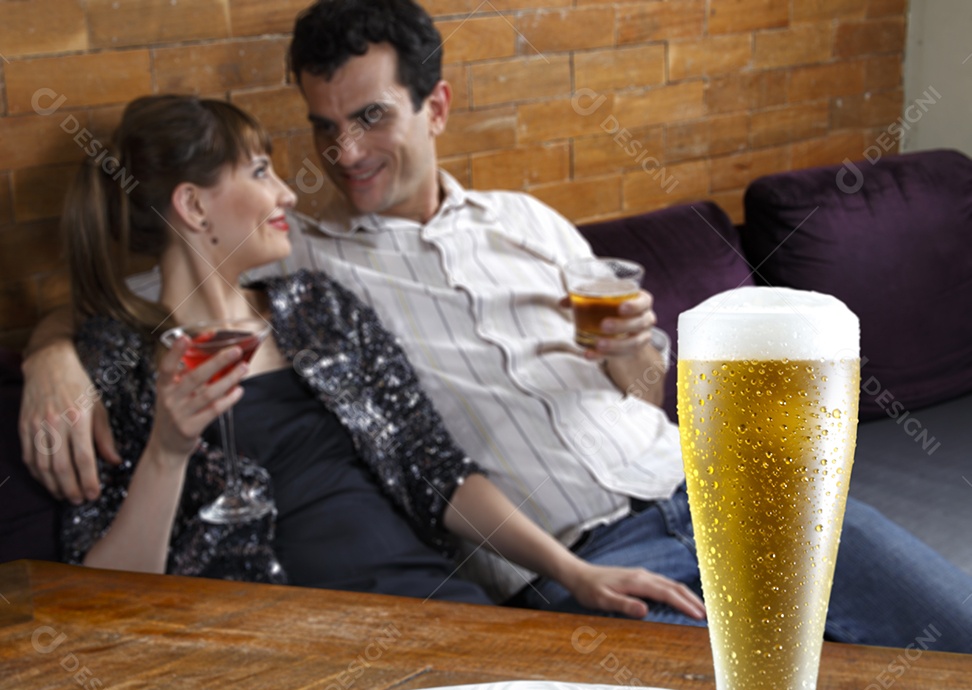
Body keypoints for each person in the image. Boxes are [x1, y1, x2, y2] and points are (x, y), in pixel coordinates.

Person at [19, 0, 972, 651]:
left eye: (371, 117)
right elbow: (145, 272)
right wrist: (49, 349)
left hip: (711, 478)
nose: (343, 153)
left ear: (436, 104)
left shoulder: (529, 223)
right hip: (592, 557)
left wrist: (634, 352)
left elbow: (652, 398)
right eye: (322, 129)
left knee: (954, 631)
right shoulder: (305, 262)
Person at [51, 92, 706, 620]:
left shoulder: (314, 305)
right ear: (193, 206)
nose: (286, 193)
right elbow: (108, 594)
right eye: (259, 172)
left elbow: (435, 470)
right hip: (272, 642)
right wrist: (167, 448)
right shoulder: (116, 358)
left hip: (433, 605)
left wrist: (575, 574)